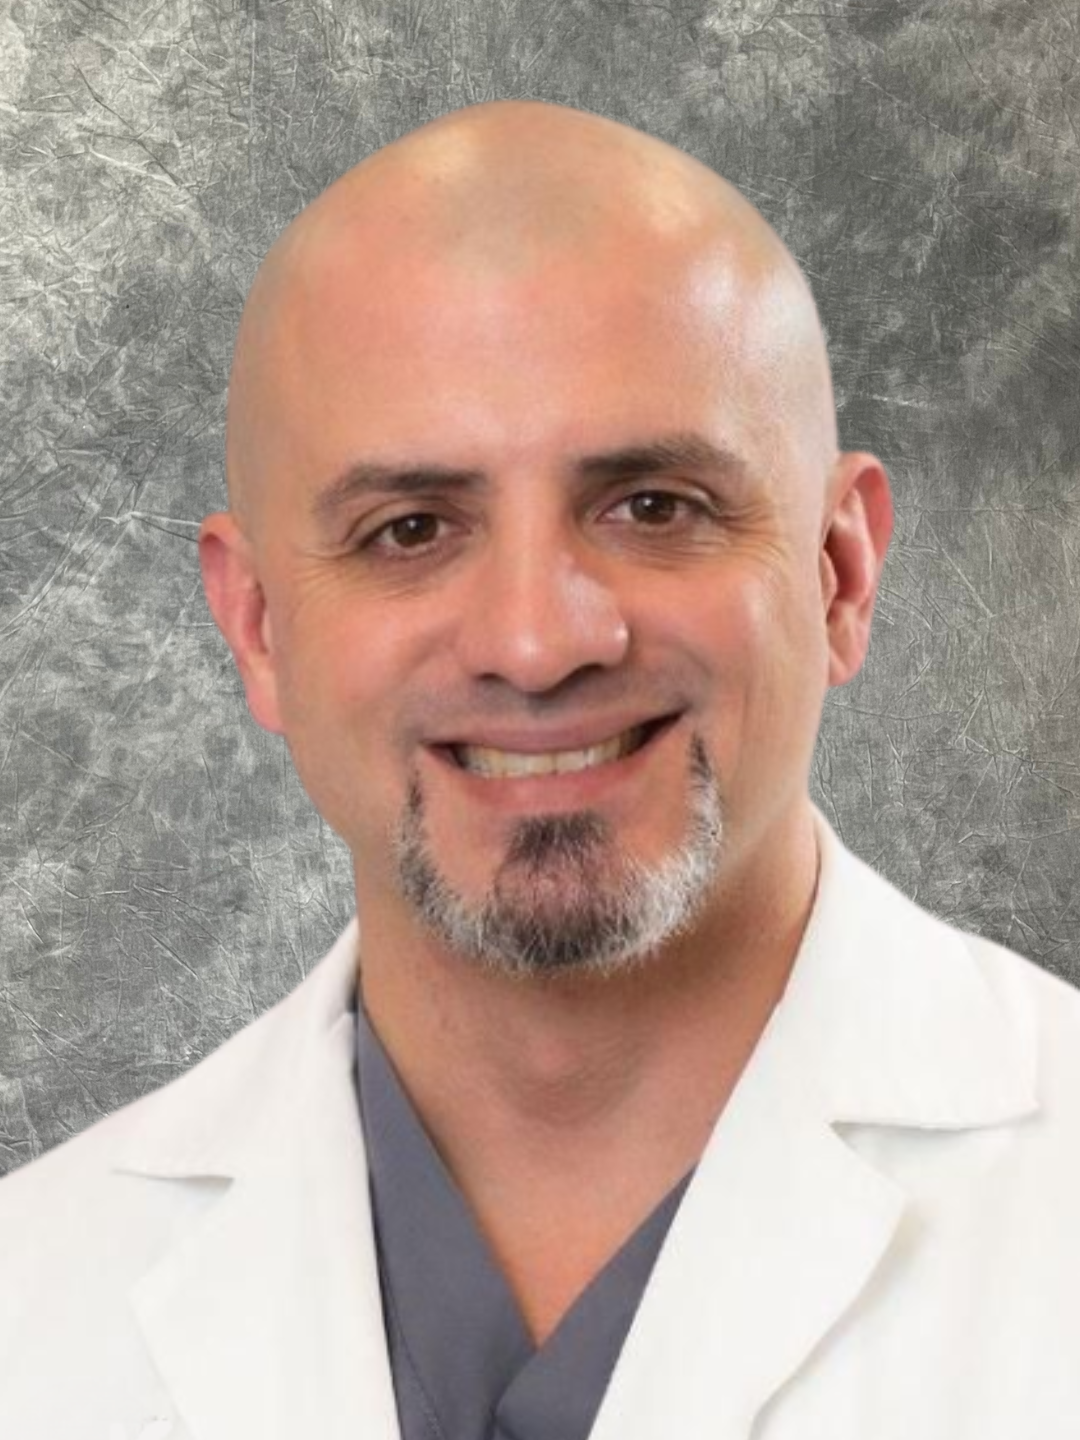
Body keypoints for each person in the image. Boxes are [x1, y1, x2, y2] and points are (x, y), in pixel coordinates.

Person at [2, 99, 1079, 1440]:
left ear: (839, 572)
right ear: (259, 627)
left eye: (653, 507)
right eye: (410, 529)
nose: (538, 641)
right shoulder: (30, 1312)